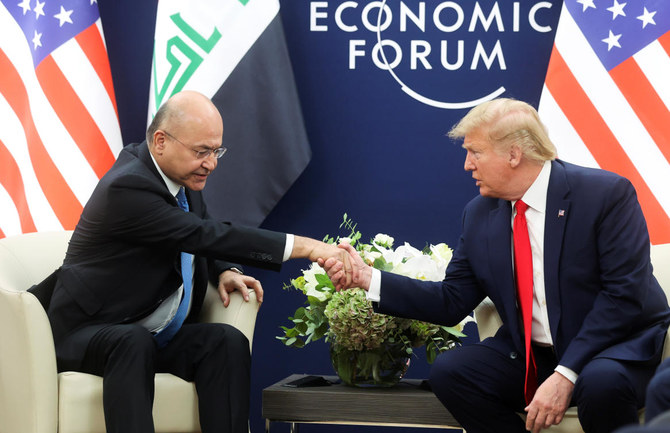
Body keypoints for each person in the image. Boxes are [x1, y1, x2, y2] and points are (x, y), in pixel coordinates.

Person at [323, 98, 670, 433]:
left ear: (514, 154)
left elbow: (622, 297)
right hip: (533, 353)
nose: (467, 165)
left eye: (475, 152)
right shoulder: (479, 214)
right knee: (453, 373)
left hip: (611, 347)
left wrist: (566, 373)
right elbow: (451, 300)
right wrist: (369, 278)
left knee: (600, 385)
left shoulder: (605, 195)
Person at [46, 90, 351, 433]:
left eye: (216, 150)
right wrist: (309, 248)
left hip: (150, 334)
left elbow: (199, 229)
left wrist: (223, 269)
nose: (212, 163)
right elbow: (204, 234)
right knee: (132, 341)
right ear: (160, 141)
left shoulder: (183, 178)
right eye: (201, 152)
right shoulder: (128, 187)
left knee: (225, 342)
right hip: (86, 333)